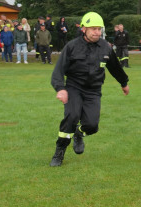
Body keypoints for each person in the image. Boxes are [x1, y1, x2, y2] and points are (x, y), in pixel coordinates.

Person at [48, 12, 130, 167]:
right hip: (73, 88)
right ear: (84, 29)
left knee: (92, 125)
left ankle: (79, 133)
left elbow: (115, 68)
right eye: (93, 29)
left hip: (93, 91)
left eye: (99, 29)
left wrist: (124, 83)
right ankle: (59, 152)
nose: (97, 32)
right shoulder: (72, 46)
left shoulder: (105, 47)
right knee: (72, 117)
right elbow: (58, 70)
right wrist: (60, 89)